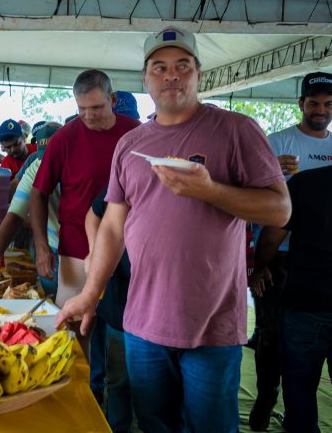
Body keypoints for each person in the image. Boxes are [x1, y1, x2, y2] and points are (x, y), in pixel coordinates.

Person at [56, 26, 291, 433]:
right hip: (143, 325)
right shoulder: (130, 145)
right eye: (159, 67)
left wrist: (210, 189)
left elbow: (280, 209)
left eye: (182, 66)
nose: (171, 76)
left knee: (210, 426)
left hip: (212, 326)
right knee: (153, 425)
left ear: (199, 74)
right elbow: (112, 225)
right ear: (145, 79)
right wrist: (90, 294)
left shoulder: (236, 130)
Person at [247, 71, 332, 430]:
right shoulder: (275, 142)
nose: (320, 110)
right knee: (271, 335)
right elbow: (248, 191)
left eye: (328, 104)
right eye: (313, 103)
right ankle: (267, 397)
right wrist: (272, 174)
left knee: (299, 338)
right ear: (301, 104)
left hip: (317, 257)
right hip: (277, 253)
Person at [30, 70, 139, 320]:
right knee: (71, 327)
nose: (88, 116)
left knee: (124, 327)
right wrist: (41, 245)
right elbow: (38, 193)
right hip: (76, 249)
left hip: (128, 250)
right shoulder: (64, 138)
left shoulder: (136, 134)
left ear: (112, 100)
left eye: (97, 107)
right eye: (82, 108)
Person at [251, 165, 332, 433]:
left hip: (305, 300)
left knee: (299, 385)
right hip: (305, 301)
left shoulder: (306, 182)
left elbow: (272, 236)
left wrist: (260, 266)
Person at [0, 123, 61, 296]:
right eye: (44, 156)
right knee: (52, 302)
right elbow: (15, 213)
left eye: (55, 155)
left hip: (85, 249)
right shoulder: (37, 166)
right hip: (52, 248)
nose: (48, 162)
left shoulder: (83, 168)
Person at [85, 188, 135, 432]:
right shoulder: (129, 175)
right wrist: (97, 254)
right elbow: (94, 213)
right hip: (121, 305)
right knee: (119, 382)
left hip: (166, 307)